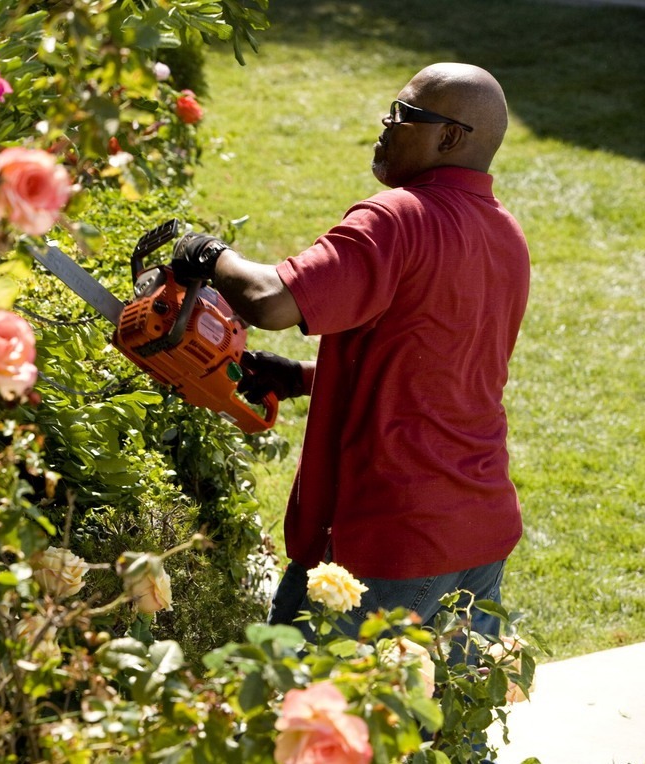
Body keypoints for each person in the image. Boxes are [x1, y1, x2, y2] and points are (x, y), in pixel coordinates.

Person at [170, 63, 530, 641]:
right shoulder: (505, 235)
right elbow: (444, 366)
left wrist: (206, 252)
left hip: (392, 539)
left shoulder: (398, 218)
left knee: (295, 715)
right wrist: (307, 376)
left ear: (452, 137)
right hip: (479, 533)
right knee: (437, 726)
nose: (386, 126)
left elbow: (270, 301)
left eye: (405, 115)